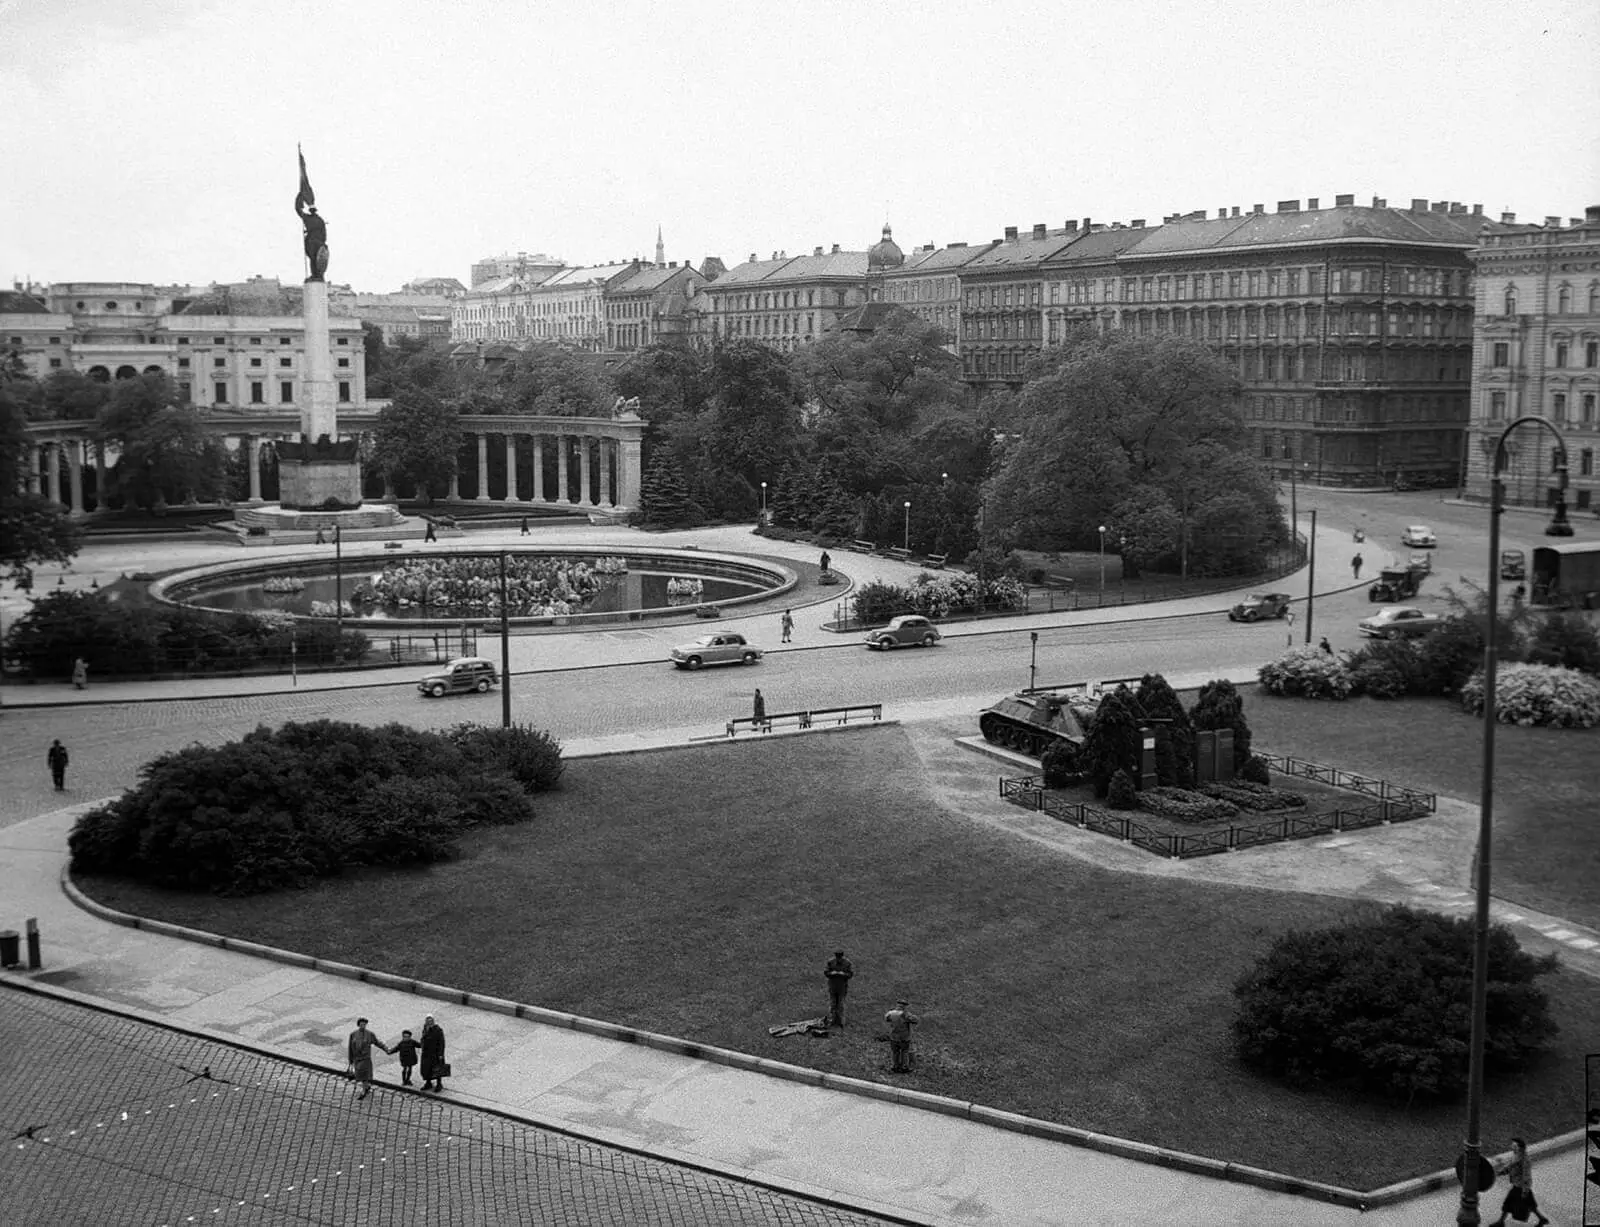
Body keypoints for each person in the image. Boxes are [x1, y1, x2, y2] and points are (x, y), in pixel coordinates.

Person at [1489, 1136, 1549, 1227]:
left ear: (1519, 1147)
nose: (1511, 1146)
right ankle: (1542, 1219)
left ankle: (1501, 1222)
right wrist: (1501, 1172)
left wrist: (1525, 1189)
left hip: (1521, 1186)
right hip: (1518, 1185)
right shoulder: (1516, 1155)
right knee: (1531, 1205)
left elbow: (1526, 1175)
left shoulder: (1524, 1159)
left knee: (1508, 1203)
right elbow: (1510, 1167)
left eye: (1514, 1145)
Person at [347, 1017, 390, 1100]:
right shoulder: (353, 1034)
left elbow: (377, 1042)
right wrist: (350, 1060)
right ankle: (366, 1087)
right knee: (360, 1074)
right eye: (361, 1024)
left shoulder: (369, 1034)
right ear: (358, 1025)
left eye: (364, 1024)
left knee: (364, 1075)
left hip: (365, 1058)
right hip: (357, 1058)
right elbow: (350, 1047)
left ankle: (364, 1090)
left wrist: (386, 1049)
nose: (363, 1026)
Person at [884, 999, 919, 1073]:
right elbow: (915, 1020)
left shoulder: (890, 1013)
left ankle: (895, 1066)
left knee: (895, 1052)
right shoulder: (905, 1014)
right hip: (904, 1037)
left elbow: (887, 1019)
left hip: (893, 1036)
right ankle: (904, 1067)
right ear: (904, 1006)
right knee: (905, 1052)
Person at [824, 950, 853, 1027]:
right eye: (837, 958)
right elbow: (826, 972)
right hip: (833, 987)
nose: (838, 959)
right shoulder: (830, 962)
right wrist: (831, 973)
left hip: (842, 988)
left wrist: (843, 974)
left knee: (841, 1005)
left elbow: (850, 974)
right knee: (832, 1004)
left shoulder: (847, 963)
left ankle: (841, 1022)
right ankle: (831, 1020)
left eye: (839, 958)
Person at [420, 1015, 447, 1091]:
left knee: (437, 1069)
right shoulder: (425, 1028)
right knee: (426, 1069)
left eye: (430, 1021)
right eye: (427, 1021)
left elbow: (442, 1043)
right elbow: (423, 1038)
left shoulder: (438, 1030)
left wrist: (441, 1054)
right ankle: (428, 1083)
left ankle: (439, 1084)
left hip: (435, 1053)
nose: (429, 1023)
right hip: (426, 1053)